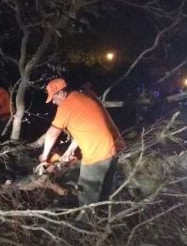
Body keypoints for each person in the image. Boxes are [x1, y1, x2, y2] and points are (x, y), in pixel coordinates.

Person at [38, 78, 124, 207]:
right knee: (104, 192)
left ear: (61, 93)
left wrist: (44, 157)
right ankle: (104, 218)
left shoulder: (66, 106)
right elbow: (87, 126)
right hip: (113, 148)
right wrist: (70, 150)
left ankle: (87, 223)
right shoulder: (82, 96)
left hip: (97, 155)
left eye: (54, 98)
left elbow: (52, 133)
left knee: (86, 194)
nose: (54, 102)